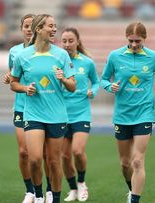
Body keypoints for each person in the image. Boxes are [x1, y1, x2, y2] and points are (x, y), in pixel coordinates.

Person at [100, 22, 155, 203]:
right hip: (122, 115)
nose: (133, 44)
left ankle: (134, 200)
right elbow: (104, 79)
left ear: (144, 38)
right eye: (130, 40)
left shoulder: (154, 57)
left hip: (144, 113)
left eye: (137, 41)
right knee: (125, 163)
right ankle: (132, 190)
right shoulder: (115, 56)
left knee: (137, 161)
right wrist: (110, 86)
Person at [10, 14, 76, 203]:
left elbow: (73, 85)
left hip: (56, 115)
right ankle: (38, 195)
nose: (54, 29)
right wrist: (25, 88)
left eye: (55, 26)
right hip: (33, 114)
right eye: (50, 26)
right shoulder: (22, 56)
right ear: (38, 29)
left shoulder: (61, 54)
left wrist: (63, 79)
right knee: (35, 159)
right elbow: (13, 83)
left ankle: (54, 198)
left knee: (54, 162)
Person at [60, 27, 99, 202]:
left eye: (70, 41)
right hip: (60, 114)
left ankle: (82, 182)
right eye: (64, 41)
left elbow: (96, 82)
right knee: (64, 156)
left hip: (81, 113)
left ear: (77, 42)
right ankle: (73, 189)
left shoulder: (87, 63)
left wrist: (93, 91)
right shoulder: (57, 61)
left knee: (77, 151)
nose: (67, 44)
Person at [2, 14, 37, 203]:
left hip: (41, 106)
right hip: (21, 106)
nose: (29, 29)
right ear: (21, 28)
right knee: (24, 152)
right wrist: (8, 77)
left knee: (42, 154)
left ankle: (46, 191)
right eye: (26, 26)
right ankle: (30, 191)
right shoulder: (14, 51)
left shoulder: (44, 51)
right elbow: (12, 72)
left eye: (33, 26)